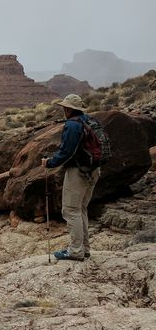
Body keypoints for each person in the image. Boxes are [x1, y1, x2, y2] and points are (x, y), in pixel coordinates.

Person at [40, 94, 100, 261]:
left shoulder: (72, 125)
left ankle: (75, 251)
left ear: (68, 109)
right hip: (94, 169)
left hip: (78, 172)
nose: (63, 110)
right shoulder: (89, 120)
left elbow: (67, 152)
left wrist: (50, 163)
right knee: (81, 208)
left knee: (71, 210)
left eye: (64, 108)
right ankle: (84, 249)